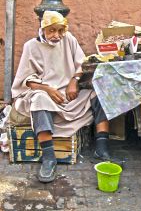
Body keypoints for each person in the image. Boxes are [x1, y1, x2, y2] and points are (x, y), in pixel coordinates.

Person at [11, 11, 111, 183]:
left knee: (99, 93)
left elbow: (81, 63)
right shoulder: (30, 46)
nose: (56, 35)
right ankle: (49, 158)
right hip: (46, 94)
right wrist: (48, 89)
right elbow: (26, 81)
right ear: (42, 29)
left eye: (60, 30)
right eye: (51, 31)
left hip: (68, 95)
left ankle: (102, 148)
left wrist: (74, 80)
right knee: (39, 99)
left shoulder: (69, 39)